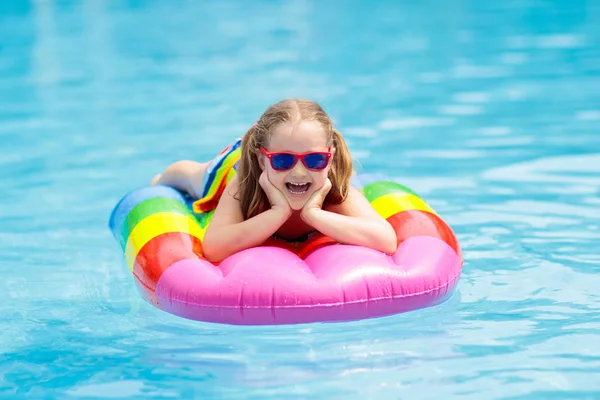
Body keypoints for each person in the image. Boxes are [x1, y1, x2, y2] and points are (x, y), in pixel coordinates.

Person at [151, 99, 397, 262]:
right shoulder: (243, 183)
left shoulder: (334, 188)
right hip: (233, 166)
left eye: (314, 160)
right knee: (195, 178)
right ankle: (164, 176)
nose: (299, 172)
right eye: (283, 161)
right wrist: (278, 212)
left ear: (329, 158)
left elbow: (386, 240)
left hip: (278, 156)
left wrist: (313, 214)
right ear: (262, 161)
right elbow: (214, 248)